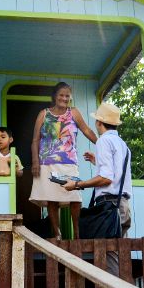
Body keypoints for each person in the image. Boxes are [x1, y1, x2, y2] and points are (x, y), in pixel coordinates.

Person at [63, 101, 134, 288]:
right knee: (120, 261)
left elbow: (105, 179)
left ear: (99, 122)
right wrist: (96, 161)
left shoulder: (104, 141)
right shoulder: (121, 143)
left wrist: (78, 184)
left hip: (109, 207)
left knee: (110, 262)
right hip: (123, 207)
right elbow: (114, 174)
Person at [29, 81, 97, 240]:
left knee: (75, 197)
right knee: (52, 199)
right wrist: (35, 162)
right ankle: (57, 233)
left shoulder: (73, 112)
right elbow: (35, 140)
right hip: (48, 161)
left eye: (67, 96)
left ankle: (77, 232)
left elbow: (86, 130)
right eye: (61, 95)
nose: (64, 98)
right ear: (54, 96)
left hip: (69, 161)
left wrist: (102, 143)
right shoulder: (43, 114)